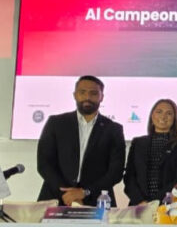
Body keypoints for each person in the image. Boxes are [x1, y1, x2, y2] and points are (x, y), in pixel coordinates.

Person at [37, 75, 126, 206]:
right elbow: (44, 164)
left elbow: (116, 172)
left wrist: (85, 192)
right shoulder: (56, 123)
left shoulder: (113, 129)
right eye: (82, 92)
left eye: (93, 93)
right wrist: (68, 194)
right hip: (56, 198)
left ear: (101, 97)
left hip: (97, 200)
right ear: (75, 95)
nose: (87, 97)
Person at [124, 98, 177, 205]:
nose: (163, 116)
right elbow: (129, 177)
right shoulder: (138, 143)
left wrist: (155, 202)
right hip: (138, 206)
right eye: (159, 112)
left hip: (167, 206)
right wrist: (141, 201)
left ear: (175, 119)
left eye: (169, 113)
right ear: (152, 116)